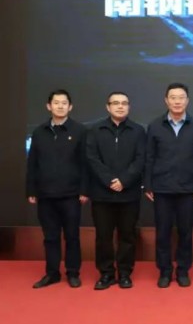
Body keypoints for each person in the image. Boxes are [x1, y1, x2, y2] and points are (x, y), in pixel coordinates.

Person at [144, 83, 193, 288]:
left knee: (185, 232)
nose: (177, 101)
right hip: (162, 188)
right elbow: (149, 157)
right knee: (163, 232)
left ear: (187, 101)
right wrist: (148, 185)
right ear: (166, 101)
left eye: (181, 97)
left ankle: (183, 270)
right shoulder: (155, 126)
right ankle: (164, 270)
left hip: (188, 188)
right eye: (173, 97)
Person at [27, 89, 88, 288]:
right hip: (45, 195)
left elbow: (85, 163)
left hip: (71, 195)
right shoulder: (39, 132)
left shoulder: (79, 131)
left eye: (64, 103)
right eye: (56, 103)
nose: (60, 106)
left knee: (72, 236)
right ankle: (52, 273)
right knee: (50, 237)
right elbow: (32, 163)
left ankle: (73, 272)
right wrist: (31, 190)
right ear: (49, 106)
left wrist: (84, 190)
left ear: (70, 107)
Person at [87, 91, 146, 290]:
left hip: (129, 193)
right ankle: (106, 274)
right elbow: (92, 158)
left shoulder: (138, 131)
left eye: (124, 103)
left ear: (129, 107)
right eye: (115, 103)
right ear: (108, 107)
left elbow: (141, 159)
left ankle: (125, 273)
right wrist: (109, 180)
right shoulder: (95, 130)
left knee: (127, 235)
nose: (120, 106)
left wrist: (124, 181)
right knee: (103, 236)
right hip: (102, 193)